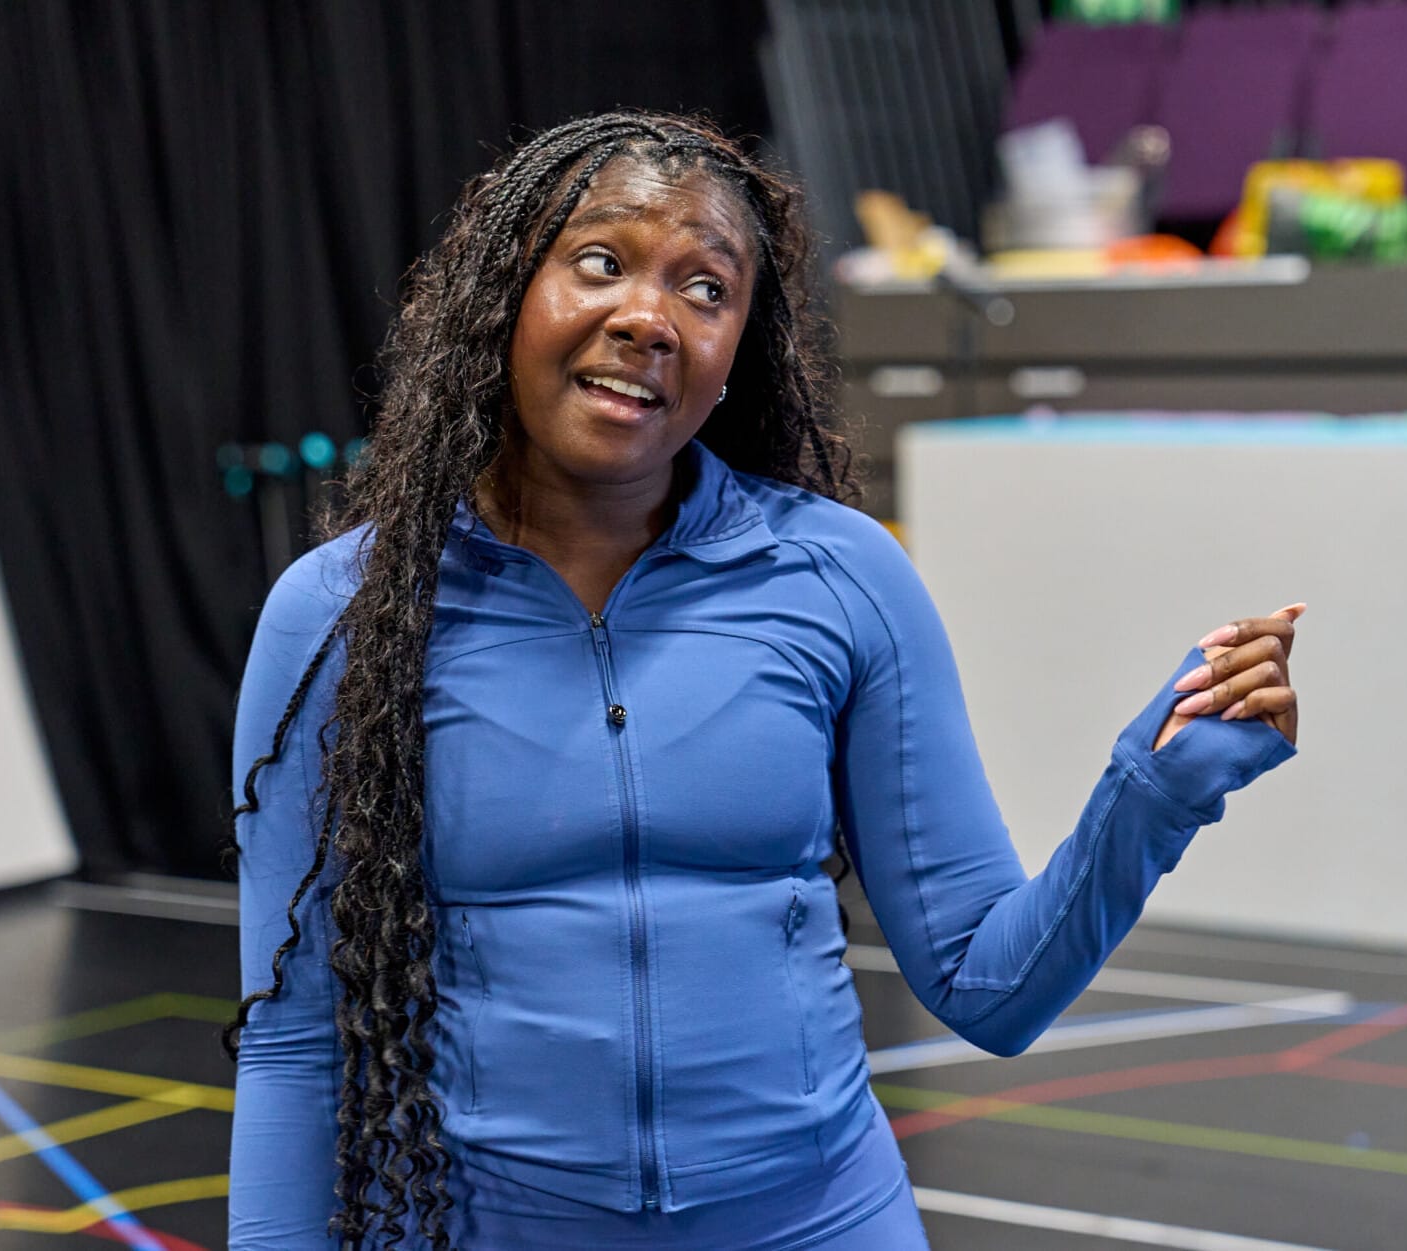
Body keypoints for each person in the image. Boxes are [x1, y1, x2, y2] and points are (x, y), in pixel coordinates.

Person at [225, 111, 1301, 1251]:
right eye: (601, 262)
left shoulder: (843, 577)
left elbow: (994, 988)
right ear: (503, 294)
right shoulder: (345, 611)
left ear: (743, 343)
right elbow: (298, 1039)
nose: (648, 317)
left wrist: (1159, 786)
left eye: (706, 288)